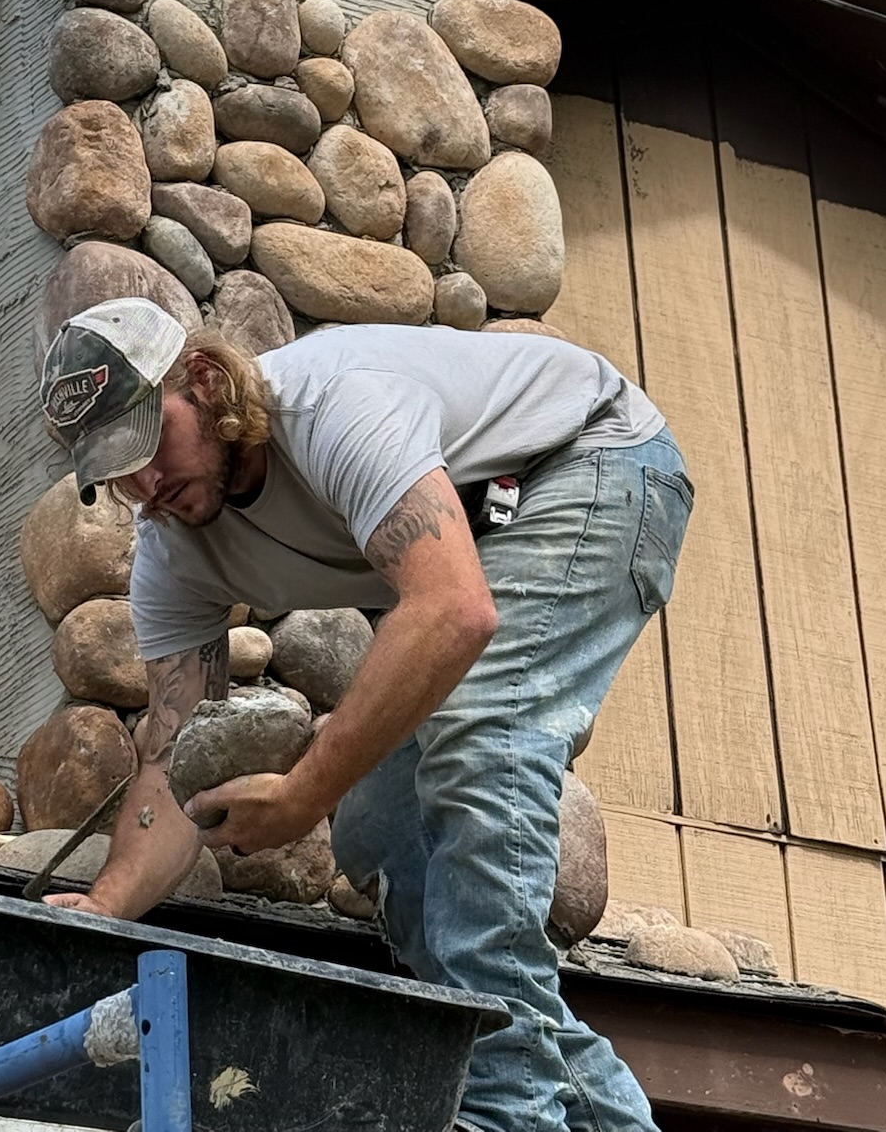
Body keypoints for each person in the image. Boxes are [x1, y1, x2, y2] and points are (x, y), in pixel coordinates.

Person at [37, 297, 693, 1132]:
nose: (146, 485)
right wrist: (105, 908)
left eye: (147, 444)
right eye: (117, 470)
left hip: (591, 462)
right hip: (486, 529)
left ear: (202, 382)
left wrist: (305, 789)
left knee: (480, 741)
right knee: (381, 828)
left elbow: (455, 610)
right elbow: (173, 766)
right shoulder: (175, 554)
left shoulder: (333, 404)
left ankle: (509, 1110)